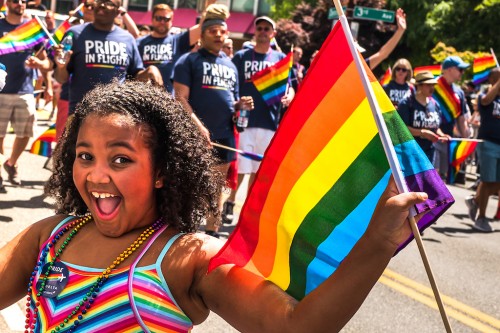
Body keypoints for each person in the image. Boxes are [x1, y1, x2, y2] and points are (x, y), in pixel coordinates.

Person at [0, 80, 428, 332]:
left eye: (121, 159)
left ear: (162, 171)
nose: (95, 175)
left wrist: (377, 242)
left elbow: (295, 328)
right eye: (84, 155)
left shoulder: (188, 258)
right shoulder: (51, 235)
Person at [173, 9, 253, 237]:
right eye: (212, 31)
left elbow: (230, 102)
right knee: (189, 184)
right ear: (202, 34)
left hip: (224, 134)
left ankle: (212, 233)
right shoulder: (188, 61)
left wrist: (241, 106)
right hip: (193, 135)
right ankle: (182, 231)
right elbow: (180, 99)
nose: (218, 35)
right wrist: (198, 126)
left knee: (216, 187)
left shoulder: (230, 65)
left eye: (222, 31)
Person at [53, 0, 162, 115]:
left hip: (116, 117)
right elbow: (61, 78)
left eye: (109, 3)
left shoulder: (127, 39)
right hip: (80, 116)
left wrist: (150, 70)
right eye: (99, 1)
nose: (103, 5)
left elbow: (135, 77)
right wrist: (61, 67)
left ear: (117, 11)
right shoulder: (74, 34)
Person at [230, 15, 295, 200]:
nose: (263, 32)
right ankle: (231, 201)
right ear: (255, 32)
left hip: (270, 122)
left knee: (259, 172)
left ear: (273, 34)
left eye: (267, 29)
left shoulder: (280, 58)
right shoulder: (241, 57)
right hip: (244, 120)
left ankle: (247, 208)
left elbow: (289, 87)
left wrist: (289, 97)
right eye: (260, 29)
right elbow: (231, 85)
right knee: (241, 168)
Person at [0, 0, 51, 189]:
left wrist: (39, 66)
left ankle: (11, 162)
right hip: (1, 91)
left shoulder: (32, 28)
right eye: (15, 0)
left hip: (25, 91)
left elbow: (46, 63)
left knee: (25, 133)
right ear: (6, 3)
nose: (20, 4)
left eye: (23, 1)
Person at [136, 3, 206, 93]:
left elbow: (201, 27)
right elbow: (134, 72)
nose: (162, 22)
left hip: (169, 101)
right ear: (152, 19)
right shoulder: (139, 43)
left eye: (166, 19)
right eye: (159, 18)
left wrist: (209, 6)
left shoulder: (178, 41)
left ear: (171, 21)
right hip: (143, 97)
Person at [465, 68, 500, 232]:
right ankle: (481, 218)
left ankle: (475, 201)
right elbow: (485, 101)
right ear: (493, 79)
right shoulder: (483, 96)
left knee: (497, 184)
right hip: (488, 143)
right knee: (487, 181)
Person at [432, 55, 471, 182]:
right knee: (433, 175)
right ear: (449, 69)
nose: (462, 72)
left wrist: (466, 141)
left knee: (442, 179)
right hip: (432, 138)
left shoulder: (459, 92)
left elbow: (461, 119)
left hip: (449, 140)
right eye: (460, 69)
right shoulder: (432, 86)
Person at [397, 71, 448, 162]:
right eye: (428, 85)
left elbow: (435, 127)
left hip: (429, 154)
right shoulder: (406, 104)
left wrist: (442, 135)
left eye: (433, 85)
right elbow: (401, 129)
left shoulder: (435, 104)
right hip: (410, 154)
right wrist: (423, 133)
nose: (432, 88)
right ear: (419, 86)